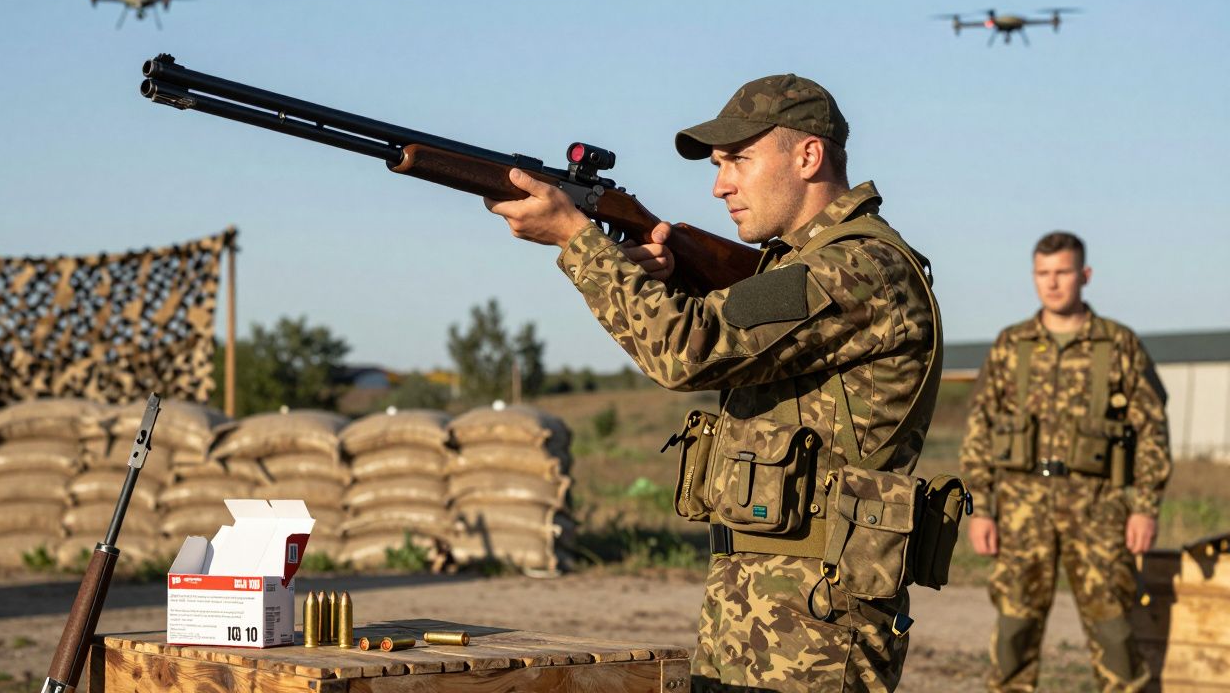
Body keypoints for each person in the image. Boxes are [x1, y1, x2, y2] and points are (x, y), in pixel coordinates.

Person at [484, 74, 941, 692]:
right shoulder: (800, 265)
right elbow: (724, 335)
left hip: (818, 628)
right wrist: (665, 279)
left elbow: (686, 351)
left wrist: (578, 241)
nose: (720, 184)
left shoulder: (859, 266)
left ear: (808, 156)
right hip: (761, 605)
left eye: (739, 160)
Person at [960, 231, 1171, 692]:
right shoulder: (1011, 345)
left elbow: (1152, 427)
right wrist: (983, 509)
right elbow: (980, 427)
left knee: (1114, 631)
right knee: (1014, 633)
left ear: (1085, 275)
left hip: (1099, 507)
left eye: (1062, 272)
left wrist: (1145, 505)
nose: (1052, 283)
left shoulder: (1117, 344)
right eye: (1043, 273)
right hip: (1021, 510)